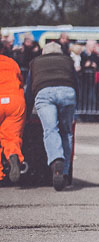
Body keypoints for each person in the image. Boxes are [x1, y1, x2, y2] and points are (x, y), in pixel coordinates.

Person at [26, 43, 78, 190]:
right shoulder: (68, 61)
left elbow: (29, 87)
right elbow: (75, 81)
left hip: (45, 92)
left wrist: (27, 110)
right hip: (68, 92)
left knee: (50, 130)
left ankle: (56, 161)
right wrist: (76, 102)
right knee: (66, 132)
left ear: (44, 52)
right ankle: (65, 173)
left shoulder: (35, 62)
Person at [0, 54, 26, 184]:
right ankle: (13, 156)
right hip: (15, 101)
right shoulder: (11, 62)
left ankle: (0, 173)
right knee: (11, 137)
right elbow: (20, 80)